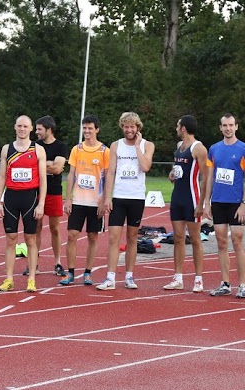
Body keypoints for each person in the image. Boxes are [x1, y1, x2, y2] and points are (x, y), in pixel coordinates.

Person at [200, 113, 245, 299]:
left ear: (236, 126)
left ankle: (243, 285)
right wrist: (207, 202)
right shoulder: (214, 149)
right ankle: (225, 283)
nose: (228, 128)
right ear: (220, 127)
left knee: (237, 241)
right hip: (218, 201)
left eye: (231, 125)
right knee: (221, 242)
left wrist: (244, 203)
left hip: (236, 203)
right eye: (225, 125)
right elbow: (210, 176)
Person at [99, 112, 155, 290]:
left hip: (136, 197)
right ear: (122, 127)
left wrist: (137, 147)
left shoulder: (147, 145)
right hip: (119, 196)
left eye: (132, 127)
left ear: (138, 128)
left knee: (132, 237)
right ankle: (110, 277)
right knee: (113, 237)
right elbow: (111, 172)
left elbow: (145, 167)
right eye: (126, 127)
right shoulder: (116, 145)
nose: (129, 130)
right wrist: (107, 197)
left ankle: (129, 276)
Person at [0, 115, 47, 292]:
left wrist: (41, 204)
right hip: (11, 197)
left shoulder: (38, 150)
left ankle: (31, 279)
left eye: (25, 126)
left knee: (30, 239)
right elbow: (2, 176)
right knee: (11, 239)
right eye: (19, 126)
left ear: (31, 128)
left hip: (30, 198)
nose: (22, 129)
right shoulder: (7, 149)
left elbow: (43, 179)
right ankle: (9, 279)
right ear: (15, 127)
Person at [60, 114, 109, 287]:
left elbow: (108, 177)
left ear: (97, 129)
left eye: (90, 128)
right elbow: (71, 174)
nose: (87, 131)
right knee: (71, 235)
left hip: (96, 202)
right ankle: (70, 272)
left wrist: (104, 200)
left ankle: (88, 273)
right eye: (85, 128)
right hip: (78, 201)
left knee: (92, 237)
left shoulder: (104, 151)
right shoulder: (77, 149)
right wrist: (68, 199)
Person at [164, 115, 209, 293]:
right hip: (177, 197)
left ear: (183, 128)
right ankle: (178, 278)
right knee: (178, 238)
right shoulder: (179, 146)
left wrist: (202, 203)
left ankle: (198, 279)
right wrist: (172, 174)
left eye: (178, 125)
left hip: (192, 198)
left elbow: (205, 177)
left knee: (195, 239)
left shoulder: (199, 148)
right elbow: (178, 168)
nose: (176, 128)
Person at [35, 116, 68, 276]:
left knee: (54, 228)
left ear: (49, 130)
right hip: (36, 191)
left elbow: (57, 169)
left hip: (54, 191)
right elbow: (32, 166)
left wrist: (41, 165)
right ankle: (34, 263)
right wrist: (49, 164)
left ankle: (57, 262)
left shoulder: (61, 147)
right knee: (36, 227)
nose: (36, 132)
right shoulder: (35, 146)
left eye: (39, 129)